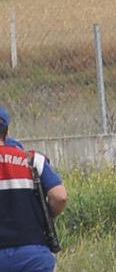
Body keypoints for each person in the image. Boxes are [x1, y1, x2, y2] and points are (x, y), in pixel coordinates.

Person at [0, 107, 68, 272]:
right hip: (33, 255)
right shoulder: (33, 160)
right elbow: (60, 197)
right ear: (7, 133)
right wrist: (45, 216)